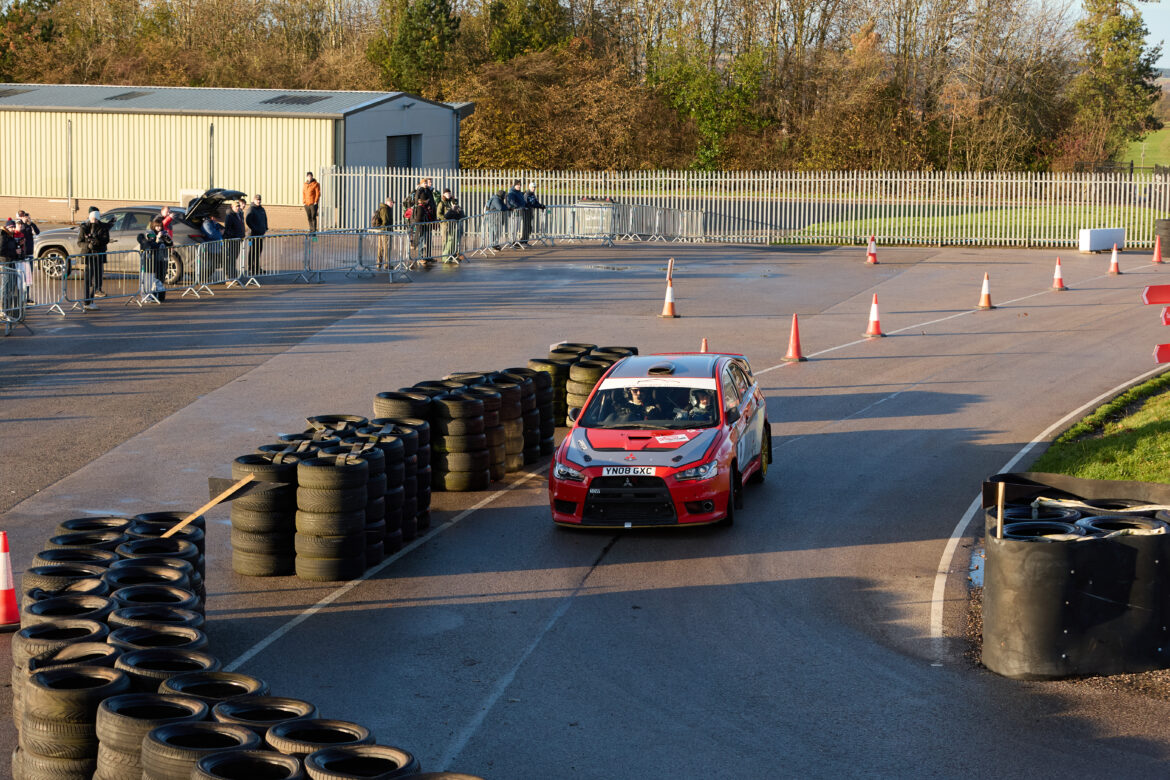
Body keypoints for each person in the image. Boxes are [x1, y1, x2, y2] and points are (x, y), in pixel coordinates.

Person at [77, 207, 110, 309]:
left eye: (96, 219)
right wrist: (88, 245)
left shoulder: (103, 227)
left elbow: (106, 239)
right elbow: (79, 242)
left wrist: (97, 242)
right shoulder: (84, 227)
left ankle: (91, 299)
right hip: (88, 256)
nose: (95, 221)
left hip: (99, 255)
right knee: (88, 280)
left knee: (98, 280)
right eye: (93, 219)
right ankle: (87, 302)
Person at [137, 217, 170, 303]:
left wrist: (167, 237)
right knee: (148, 279)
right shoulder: (150, 233)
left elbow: (170, 243)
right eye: (157, 226)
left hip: (161, 259)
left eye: (160, 226)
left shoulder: (163, 233)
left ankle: (157, 294)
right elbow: (151, 243)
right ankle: (147, 296)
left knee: (159, 278)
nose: (159, 228)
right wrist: (158, 238)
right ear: (153, 226)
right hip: (151, 260)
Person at [15, 210, 38, 303]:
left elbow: (38, 232)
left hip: (30, 254)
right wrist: (24, 224)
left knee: (28, 277)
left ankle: (26, 297)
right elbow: (20, 233)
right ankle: (20, 298)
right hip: (22, 256)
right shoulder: (19, 225)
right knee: (21, 278)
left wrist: (31, 223)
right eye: (23, 216)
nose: (25, 218)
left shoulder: (29, 225)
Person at [437, 188, 464, 264]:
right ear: (444, 195)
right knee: (445, 240)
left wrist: (454, 201)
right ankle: (445, 256)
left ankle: (453, 254)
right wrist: (445, 219)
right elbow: (439, 214)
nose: (448, 195)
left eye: (449, 193)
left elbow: (457, 208)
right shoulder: (442, 203)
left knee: (453, 240)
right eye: (447, 193)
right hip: (445, 224)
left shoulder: (451, 202)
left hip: (453, 224)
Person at [245, 194, 268, 276]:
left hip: (261, 234)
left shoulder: (261, 209)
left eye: (259, 200)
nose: (258, 201)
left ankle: (257, 267)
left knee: (259, 251)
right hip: (253, 235)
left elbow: (265, 218)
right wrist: (255, 229)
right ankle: (251, 268)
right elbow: (248, 220)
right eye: (257, 200)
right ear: (254, 200)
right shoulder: (251, 209)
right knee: (252, 251)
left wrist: (265, 227)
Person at [223, 199, 246, 279]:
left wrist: (242, 235)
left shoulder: (238, 214)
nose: (238, 208)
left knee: (235, 257)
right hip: (233, 240)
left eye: (238, 206)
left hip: (238, 239)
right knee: (231, 258)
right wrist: (234, 236)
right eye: (236, 206)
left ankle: (233, 273)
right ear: (232, 207)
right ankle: (230, 275)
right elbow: (228, 229)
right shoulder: (230, 215)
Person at [372, 196, 395, 270]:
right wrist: (388, 230)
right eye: (391, 202)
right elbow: (385, 221)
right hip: (385, 231)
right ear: (387, 202)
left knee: (380, 248)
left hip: (381, 231)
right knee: (386, 248)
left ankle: (379, 264)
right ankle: (386, 264)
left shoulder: (383, 208)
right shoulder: (385, 209)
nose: (392, 204)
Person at [200, 212, 224, 282]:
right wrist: (220, 233)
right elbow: (211, 234)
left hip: (216, 248)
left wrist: (219, 232)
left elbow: (220, 230)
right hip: (209, 248)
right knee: (210, 265)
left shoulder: (214, 223)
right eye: (216, 218)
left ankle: (204, 278)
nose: (217, 220)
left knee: (214, 264)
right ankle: (202, 278)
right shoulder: (206, 224)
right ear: (212, 218)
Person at [409, 194, 435, 262]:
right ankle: (420, 257)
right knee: (421, 243)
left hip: (425, 228)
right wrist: (423, 223)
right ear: (425, 200)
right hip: (421, 228)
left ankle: (426, 257)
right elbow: (418, 219)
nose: (428, 201)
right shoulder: (420, 208)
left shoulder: (425, 207)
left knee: (425, 242)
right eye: (427, 200)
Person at [506, 180, 526, 245]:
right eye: (518, 185)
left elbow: (522, 200)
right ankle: (512, 241)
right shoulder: (512, 193)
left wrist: (523, 205)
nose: (519, 186)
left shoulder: (519, 192)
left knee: (517, 227)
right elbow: (512, 202)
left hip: (520, 211)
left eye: (520, 185)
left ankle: (514, 240)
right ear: (514, 185)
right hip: (515, 212)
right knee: (514, 226)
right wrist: (519, 206)